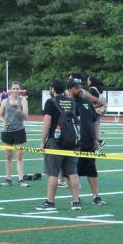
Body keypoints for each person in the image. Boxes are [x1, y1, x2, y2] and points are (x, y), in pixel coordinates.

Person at [36, 78, 81, 212]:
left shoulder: (50, 102)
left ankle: (50, 202)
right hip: (72, 141)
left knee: (53, 173)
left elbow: (47, 123)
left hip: (55, 141)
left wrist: (42, 141)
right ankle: (76, 202)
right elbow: (77, 120)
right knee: (72, 172)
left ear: (52, 89)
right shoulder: (72, 102)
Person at [72, 78, 105, 205]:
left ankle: (96, 196)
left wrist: (96, 139)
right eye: (76, 87)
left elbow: (94, 121)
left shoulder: (87, 103)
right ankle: (76, 198)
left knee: (92, 170)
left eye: (80, 87)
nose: (79, 89)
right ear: (70, 89)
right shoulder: (68, 103)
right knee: (74, 171)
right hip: (74, 144)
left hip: (89, 143)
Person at [0, 82, 30, 187]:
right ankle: (8, 179)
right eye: (14, 88)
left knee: (19, 156)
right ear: (10, 90)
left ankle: (21, 180)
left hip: (19, 131)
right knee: (8, 156)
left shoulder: (23, 101)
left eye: (17, 88)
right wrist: (4, 121)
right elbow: (0, 116)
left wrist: (18, 109)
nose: (16, 90)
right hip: (7, 131)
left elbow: (26, 117)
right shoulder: (4, 101)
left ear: (20, 90)